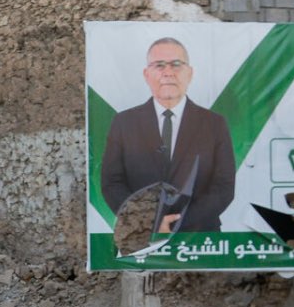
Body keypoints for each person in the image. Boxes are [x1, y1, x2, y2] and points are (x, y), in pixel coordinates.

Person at [101, 37, 235, 233]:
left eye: (176, 64)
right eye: (159, 65)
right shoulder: (123, 123)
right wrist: (149, 221)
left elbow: (223, 187)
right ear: (147, 75)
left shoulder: (214, 124)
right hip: (140, 234)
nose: (168, 72)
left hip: (200, 237)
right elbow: (112, 183)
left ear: (190, 73)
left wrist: (177, 223)